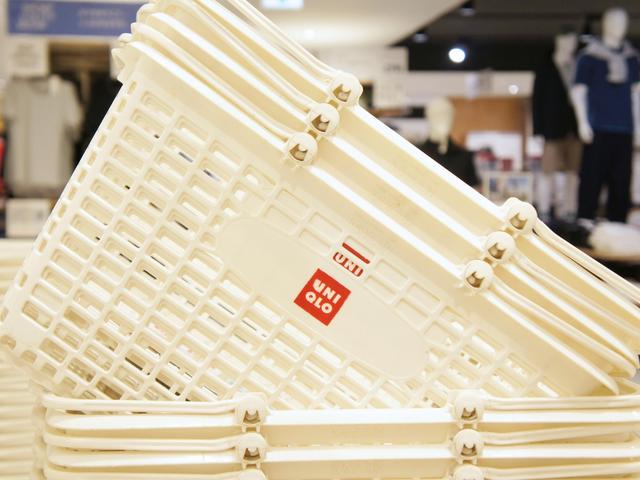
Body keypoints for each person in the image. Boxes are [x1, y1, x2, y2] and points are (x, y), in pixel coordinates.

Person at [571, 7, 640, 224]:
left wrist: (638, 127)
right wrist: (583, 122)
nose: (619, 27)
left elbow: (636, 94)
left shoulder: (632, 58)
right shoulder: (589, 57)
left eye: (623, 22)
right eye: (615, 22)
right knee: (592, 177)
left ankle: (617, 224)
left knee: (621, 181)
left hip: (624, 129)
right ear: (605, 24)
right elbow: (578, 91)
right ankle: (584, 222)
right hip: (598, 127)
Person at [419, 97, 480, 188]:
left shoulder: (465, 157)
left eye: (448, 115)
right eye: (438, 115)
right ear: (429, 117)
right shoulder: (417, 154)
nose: (444, 119)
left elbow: (474, 189)